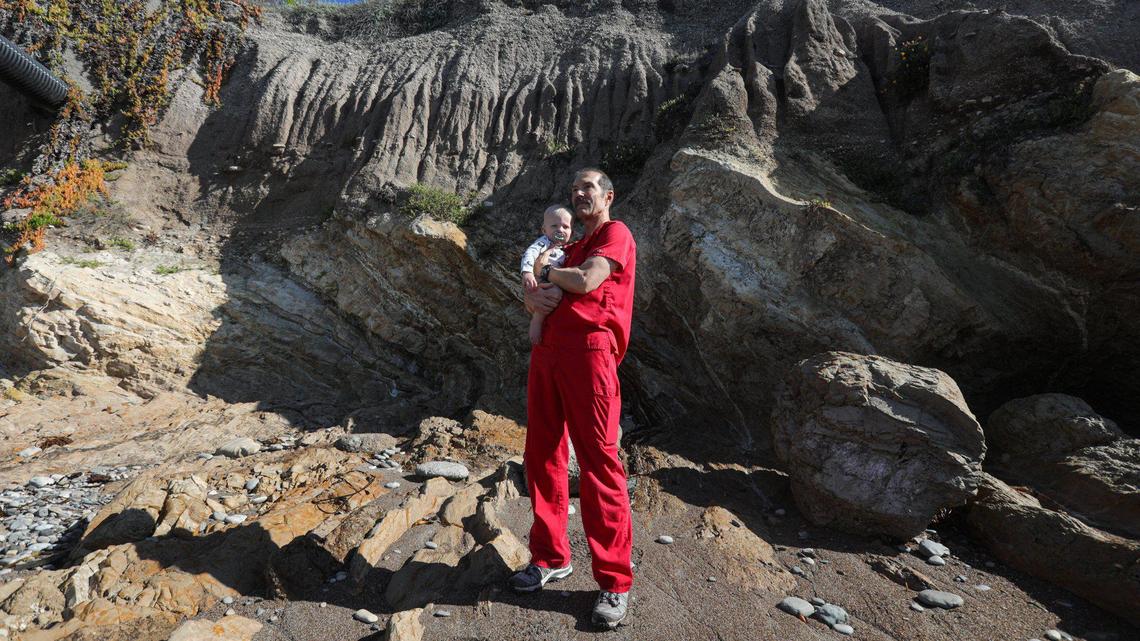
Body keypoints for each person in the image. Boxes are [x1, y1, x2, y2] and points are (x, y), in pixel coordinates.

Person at [509, 168, 637, 630]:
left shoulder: (615, 235)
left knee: (599, 462)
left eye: (589, 188)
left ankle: (614, 582)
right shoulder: (569, 247)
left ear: (607, 195)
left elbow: (585, 282)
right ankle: (549, 557)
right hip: (547, 355)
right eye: (574, 189)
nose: (580, 195)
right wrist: (534, 301)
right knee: (542, 455)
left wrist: (547, 274)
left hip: (590, 356)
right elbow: (540, 295)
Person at [520, 204, 573, 345]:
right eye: (554, 226)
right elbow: (529, 254)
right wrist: (527, 272)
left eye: (565, 227)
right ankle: (537, 322)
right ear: (544, 230)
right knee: (554, 293)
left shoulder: (566, 248)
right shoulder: (544, 242)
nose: (560, 230)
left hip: (554, 278)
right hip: (542, 279)